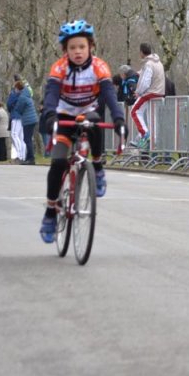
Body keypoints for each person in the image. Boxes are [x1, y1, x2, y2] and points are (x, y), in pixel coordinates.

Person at [38, 19, 126, 243]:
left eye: (82, 47)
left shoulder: (99, 67)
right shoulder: (59, 68)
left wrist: (119, 119)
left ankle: (97, 165)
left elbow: (109, 96)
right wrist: (49, 116)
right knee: (58, 162)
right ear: (65, 50)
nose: (77, 52)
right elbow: (51, 95)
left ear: (91, 47)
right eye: (72, 47)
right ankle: (50, 211)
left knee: (94, 122)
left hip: (88, 112)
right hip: (64, 114)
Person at [130, 42, 166, 148]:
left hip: (151, 92)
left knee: (135, 111)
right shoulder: (158, 62)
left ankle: (145, 135)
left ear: (141, 52)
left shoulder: (148, 64)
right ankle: (152, 141)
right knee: (152, 118)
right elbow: (147, 74)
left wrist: (138, 92)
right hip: (160, 92)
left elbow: (145, 82)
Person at [10, 80, 38, 165]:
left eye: (15, 88)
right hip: (32, 119)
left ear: (18, 88)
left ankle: (31, 158)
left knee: (27, 139)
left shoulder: (22, 97)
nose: (15, 90)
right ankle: (28, 157)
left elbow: (18, 108)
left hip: (28, 120)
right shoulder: (27, 94)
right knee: (27, 139)